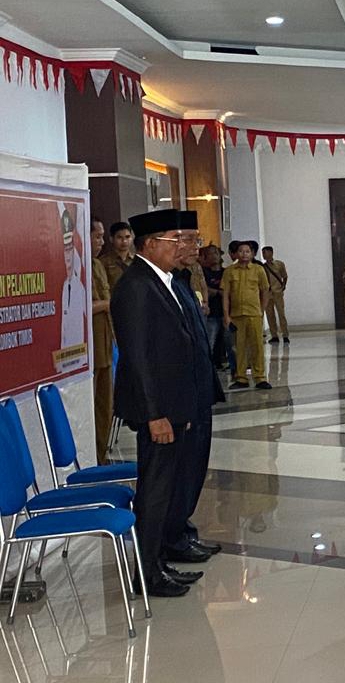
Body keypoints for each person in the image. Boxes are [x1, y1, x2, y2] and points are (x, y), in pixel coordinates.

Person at [110, 209, 201, 597]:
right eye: (173, 240)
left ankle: (158, 562)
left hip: (172, 405)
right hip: (157, 410)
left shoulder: (161, 280)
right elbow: (139, 358)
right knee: (155, 490)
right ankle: (147, 574)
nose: (181, 246)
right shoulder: (135, 286)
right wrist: (154, 415)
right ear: (149, 244)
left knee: (165, 487)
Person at [168, 213, 224, 574]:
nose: (195, 247)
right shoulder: (156, 285)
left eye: (196, 240)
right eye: (188, 240)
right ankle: (173, 538)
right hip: (180, 397)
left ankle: (183, 531)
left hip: (199, 389)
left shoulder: (184, 279)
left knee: (194, 467)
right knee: (180, 472)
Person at [223, 240, 272, 389]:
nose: (244, 254)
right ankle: (241, 378)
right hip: (236, 315)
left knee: (257, 346)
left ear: (252, 254)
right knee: (239, 347)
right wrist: (226, 315)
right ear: (236, 254)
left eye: (247, 251)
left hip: (254, 314)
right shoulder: (230, 271)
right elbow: (226, 295)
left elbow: (265, 291)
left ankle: (260, 377)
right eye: (241, 251)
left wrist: (261, 310)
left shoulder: (258, 270)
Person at [89, 218, 115, 463]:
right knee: (91, 403)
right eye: (97, 236)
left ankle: (102, 452)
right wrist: (109, 304)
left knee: (106, 405)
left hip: (105, 342)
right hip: (89, 348)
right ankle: (93, 455)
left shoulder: (97, 265)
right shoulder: (78, 264)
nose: (101, 242)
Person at [200, 245, 231, 371]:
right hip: (211, 314)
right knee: (210, 342)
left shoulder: (226, 272)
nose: (214, 256)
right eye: (210, 254)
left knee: (229, 343)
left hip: (226, 313)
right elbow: (203, 288)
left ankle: (231, 366)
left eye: (216, 253)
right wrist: (218, 292)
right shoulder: (203, 272)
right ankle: (208, 368)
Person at [59, 209, 87, 349]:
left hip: (81, 353)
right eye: (66, 249)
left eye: (70, 248)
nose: (68, 256)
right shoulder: (64, 286)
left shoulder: (80, 285)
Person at [261, 246, 290, 344]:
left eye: (265, 252)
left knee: (281, 313)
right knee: (270, 315)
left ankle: (285, 335)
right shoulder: (262, 267)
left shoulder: (279, 264)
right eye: (263, 253)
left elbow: (284, 276)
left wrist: (283, 286)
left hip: (277, 292)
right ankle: (274, 335)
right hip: (268, 294)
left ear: (271, 253)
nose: (264, 255)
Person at [100, 221, 135, 291]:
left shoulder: (137, 260)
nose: (124, 241)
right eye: (119, 237)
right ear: (111, 239)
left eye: (127, 237)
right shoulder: (103, 262)